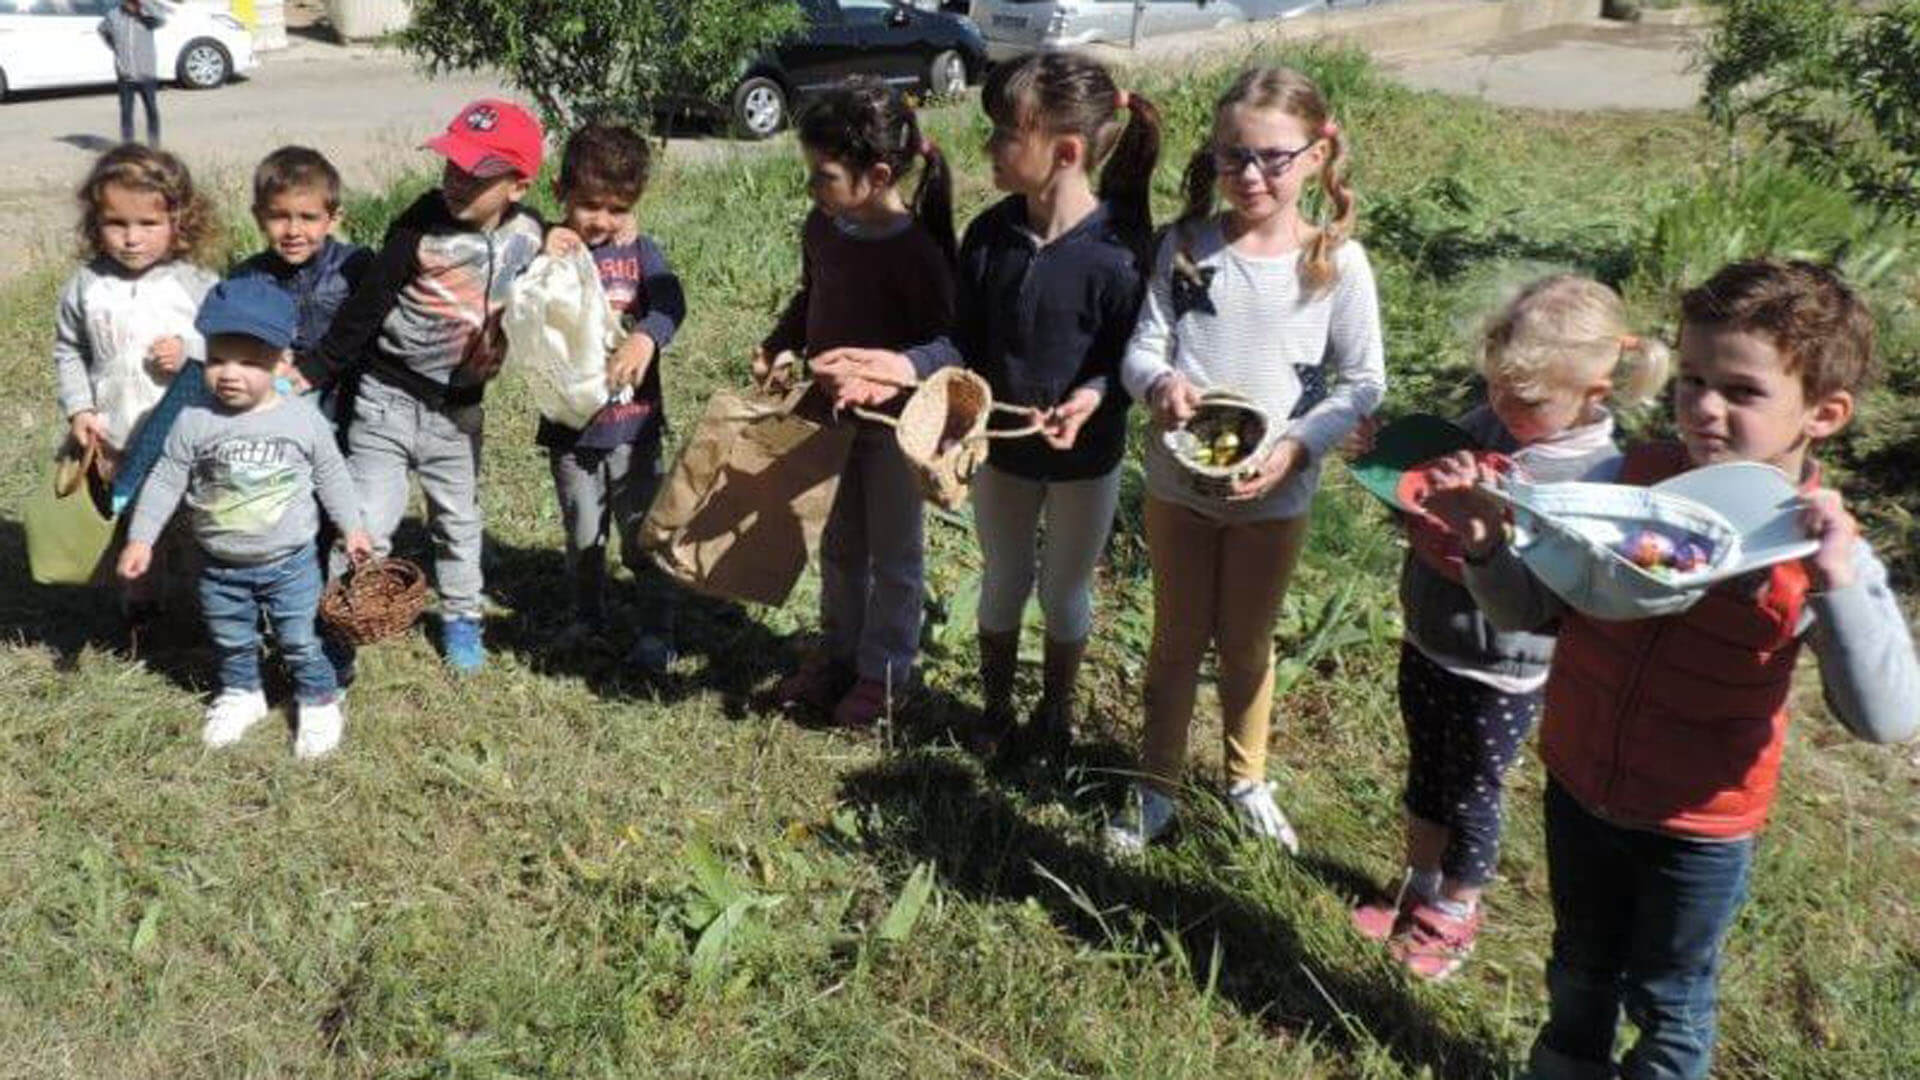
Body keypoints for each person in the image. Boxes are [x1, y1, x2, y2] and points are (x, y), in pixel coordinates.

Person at [1425, 259, 1920, 1079]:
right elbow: (1531, 610)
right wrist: (1484, 545)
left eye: (1743, 390)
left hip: (1698, 828)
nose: (1705, 408)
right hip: (1580, 784)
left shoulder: (1814, 542)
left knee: (1670, 999)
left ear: (1825, 412)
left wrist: (1835, 579)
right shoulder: (1627, 482)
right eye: (1692, 379)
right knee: (1579, 967)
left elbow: (1886, 718)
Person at [1348, 275, 1669, 980]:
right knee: (1426, 768)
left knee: (1474, 788)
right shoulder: (1489, 422)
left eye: (1525, 401)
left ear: (1596, 391)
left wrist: (1488, 525)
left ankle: (1456, 910)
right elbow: (1421, 494)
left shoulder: (1595, 477)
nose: (1501, 409)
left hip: (1502, 663)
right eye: (1494, 388)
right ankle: (1416, 882)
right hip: (1432, 632)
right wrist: (1384, 470)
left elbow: (1554, 592)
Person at [1108, 65, 1386, 854]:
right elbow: (1143, 348)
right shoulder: (1186, 246)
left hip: (1275, 494)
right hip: (1178, 482)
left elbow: (1364, 382)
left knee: (1247, 643)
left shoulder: (1336, 262)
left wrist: (1300, 445)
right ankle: (1155, 784)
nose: (1252, 175)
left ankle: (1244, 778)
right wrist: (1158, 383)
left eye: (1272, 157)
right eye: (1234, 157)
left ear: (1316, 154)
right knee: (1174, 637)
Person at [878, 50, 1160, 761]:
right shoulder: (990, 235)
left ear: (1065, 152)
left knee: (1066, 592)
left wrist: (1094, 398)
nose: (990, 148)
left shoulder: (1122, 255)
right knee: (1002, 579)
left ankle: (1056, 712)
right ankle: (997, 709)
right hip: (998, 454)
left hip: (1085, 463)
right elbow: (959, 342)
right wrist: (906, 367)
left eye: (1006, 133)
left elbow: (1128, 361)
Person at [290, 99, 548, 673]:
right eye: (451, 164)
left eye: (476, 174)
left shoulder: (533, 233)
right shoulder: (419, 224)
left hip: (457, 416)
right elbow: (369, 303)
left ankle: (460, 617)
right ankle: (340, 623)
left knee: (458, 521)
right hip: (386, 400)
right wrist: (319, 365)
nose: (455, 181)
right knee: (364, 522)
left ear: (518, 185)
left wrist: (569, 241)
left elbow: (557, 258)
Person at [756, 76, 957, 729]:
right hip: (829, 419)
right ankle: (839, 655)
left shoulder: (917, 252)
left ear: (875, 175)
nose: (813, 187)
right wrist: (781, 343)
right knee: (841, 545)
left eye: (824, 174)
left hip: (897, 431)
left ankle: (887, 671)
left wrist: (898, 375)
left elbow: (947, 344)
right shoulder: (825, 226)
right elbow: (811, 296)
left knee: (896, 555)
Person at [118, 279, 374, 758]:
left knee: (299, 638)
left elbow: (333, 475)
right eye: (217, 359)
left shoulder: (301, 419)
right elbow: (166, 480)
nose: (229, 374)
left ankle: (317, 700)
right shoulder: (195, 418)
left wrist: (352, 526)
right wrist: (141, 539)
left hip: (291, 562)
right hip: (218, 563)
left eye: (249, 362)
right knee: (231, 638)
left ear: (281, 363)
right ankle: (243, 693)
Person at [538, 123, 687, 674]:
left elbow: (671, 301)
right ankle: (587, 617)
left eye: (617, 208)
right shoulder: (547, 248)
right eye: (588, 205)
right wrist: (537, 238)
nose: (601, 220)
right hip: (570, 429)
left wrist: (647, 336)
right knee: (582, 533)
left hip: (634, 425)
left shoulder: (639, 251)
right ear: (562, 194)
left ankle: (657, 630)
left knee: (645, 531)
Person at [51, 144, 218, 622]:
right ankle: (141, 603)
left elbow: (232, 346)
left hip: (187, 433)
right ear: (95, 222)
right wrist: (79, 409)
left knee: (195, 519)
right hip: (117, 435)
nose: (131, 238)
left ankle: (206, 601)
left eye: (148, 224)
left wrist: (191, 350)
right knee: (132, 520)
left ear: (179, 221)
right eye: (116, 223)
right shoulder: (86, 285)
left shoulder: (196, 282)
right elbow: (70, 350)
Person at [230, 146, 376, 424]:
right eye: (278, 217)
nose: (293, 231)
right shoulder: (247, 279)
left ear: (333, 219)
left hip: (352, 395)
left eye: (308, 217)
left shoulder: (356, 266)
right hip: (286, 396)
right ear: (259, 218)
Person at [98, 0, 164, 147]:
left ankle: (154, 146)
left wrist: (144, 4)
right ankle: (128, 146)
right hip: (125, 74)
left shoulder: (147, 17)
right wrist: (115, 47)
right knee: (126, 112)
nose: (131, 5)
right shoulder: (114, 15)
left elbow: (161, 19)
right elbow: (102, 30)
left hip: (146, 73)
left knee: (151, 109)